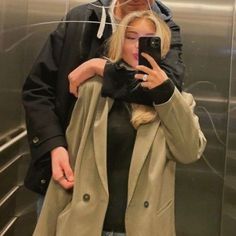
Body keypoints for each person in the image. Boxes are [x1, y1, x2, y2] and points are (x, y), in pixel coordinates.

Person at [33, 10, 206, 236]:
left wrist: (165, 93)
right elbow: (73, 158)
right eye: (131, 37)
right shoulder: (93, 90)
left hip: (144, 228)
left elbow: (189, 152)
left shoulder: (177, 101)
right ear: (119, 43)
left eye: (148, 41)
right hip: (85, 226)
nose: (137, 46)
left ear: (162, 47)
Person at [22, 0, 185, 195]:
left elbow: (166, 91)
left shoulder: (164, 28)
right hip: (69, 173)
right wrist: (53, 145)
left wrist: (100, 68)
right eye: (130, 37)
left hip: (130, 184)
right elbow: (38, 89)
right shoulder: (82, 20)